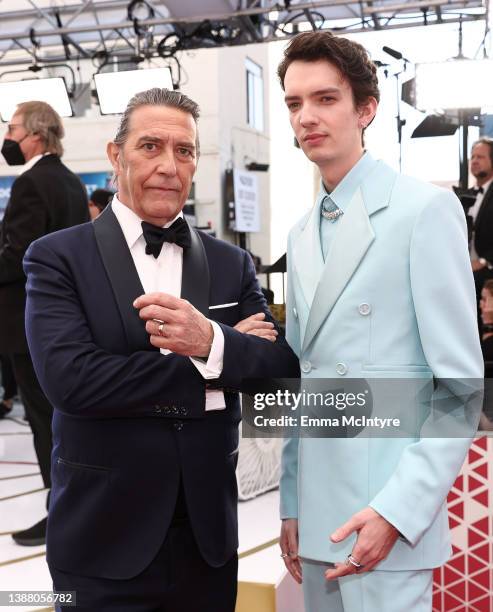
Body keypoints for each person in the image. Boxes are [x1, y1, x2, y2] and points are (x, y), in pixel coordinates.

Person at [23, 88, 299, 611]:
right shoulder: (57, 258)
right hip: (101, 539)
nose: (169, 166)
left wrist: (211, 342)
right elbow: (71, 381)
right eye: (150, 146)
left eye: (185, 150)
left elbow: (278, 375)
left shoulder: (230, 264)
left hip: (207, 542)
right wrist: (216, 359)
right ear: (115, 155)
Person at [277, 31, 483, 611]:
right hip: (319, 517)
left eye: (325, 99)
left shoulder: (424, 210)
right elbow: (303, 381)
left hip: (384, 516)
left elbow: (460, 387)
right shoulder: (298, 232)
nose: (307, 117)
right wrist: (292, 500)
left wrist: (398, 510)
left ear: (366, 108)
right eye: (294, 104)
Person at [0, 101, 89, 545]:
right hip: (67, 321)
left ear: (35, 133)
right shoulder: (70, 181)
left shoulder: (32, 183)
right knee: (60, 418)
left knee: (43, 421)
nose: (8, 136)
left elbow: (19, 256)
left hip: (29, 322)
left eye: (12, 127)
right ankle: (75, 505)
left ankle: (61, 511)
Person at [468, 138, 493, 317]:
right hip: (466, 272)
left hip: (488, 274)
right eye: (473, 157)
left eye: (481, 157)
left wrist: (483, 261)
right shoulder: (465, 193)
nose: (475, 161)